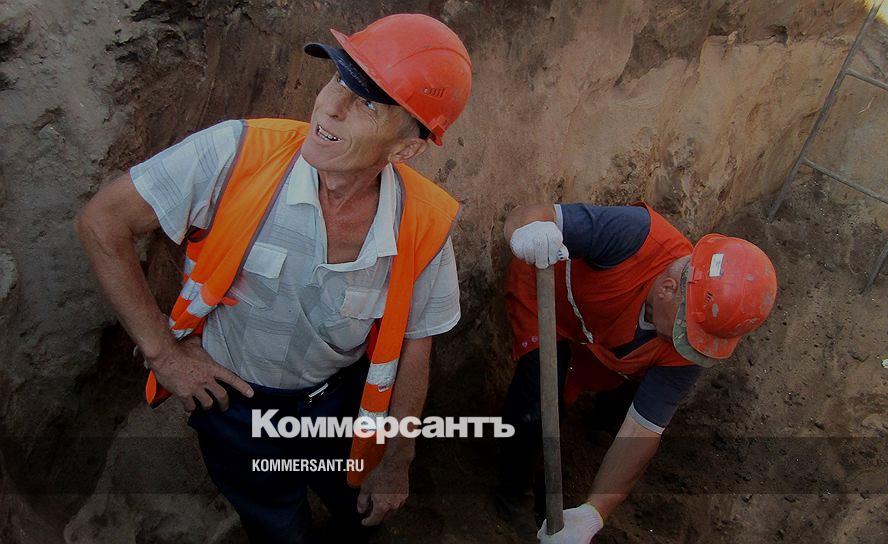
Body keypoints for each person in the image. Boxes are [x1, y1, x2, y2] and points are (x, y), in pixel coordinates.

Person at [75, 14, 471, 543]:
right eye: (339, 80)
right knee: (278, 528)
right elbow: (101, 222)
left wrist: (398, 457)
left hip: (342, 406)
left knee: (358, 513)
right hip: (236, 408)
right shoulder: (237, 153)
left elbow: (417, 341)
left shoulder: (422, 223)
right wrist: (164, 354)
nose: (331, 106)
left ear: (406, 149)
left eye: (368, 103)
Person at [499, 202, 777, 542]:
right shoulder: (634, 234)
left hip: (606, 342)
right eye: (686, 332)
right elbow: (527, 215)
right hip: (549, 301)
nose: (688, 346)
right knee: (538, 403)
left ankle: (596, 425)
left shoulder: (695, 341)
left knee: (624, 392)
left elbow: (643, 429)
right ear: (667, 288)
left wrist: (594, 513)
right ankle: (514, 495)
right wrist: (528, 231)